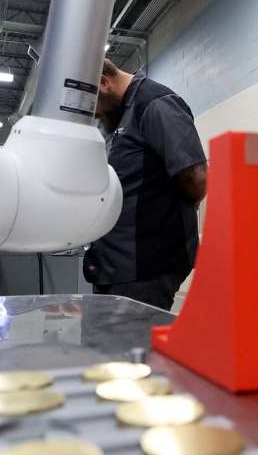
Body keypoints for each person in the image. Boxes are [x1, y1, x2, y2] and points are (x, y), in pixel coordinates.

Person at [85, 59, 207, 311]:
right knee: (103, 348)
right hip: (115, 266)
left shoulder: (155, 103)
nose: (93, 113)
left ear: (104, 83)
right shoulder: (116, 117)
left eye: (90, 105)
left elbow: (196, 179)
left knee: (126, 348)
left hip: (145, 268)